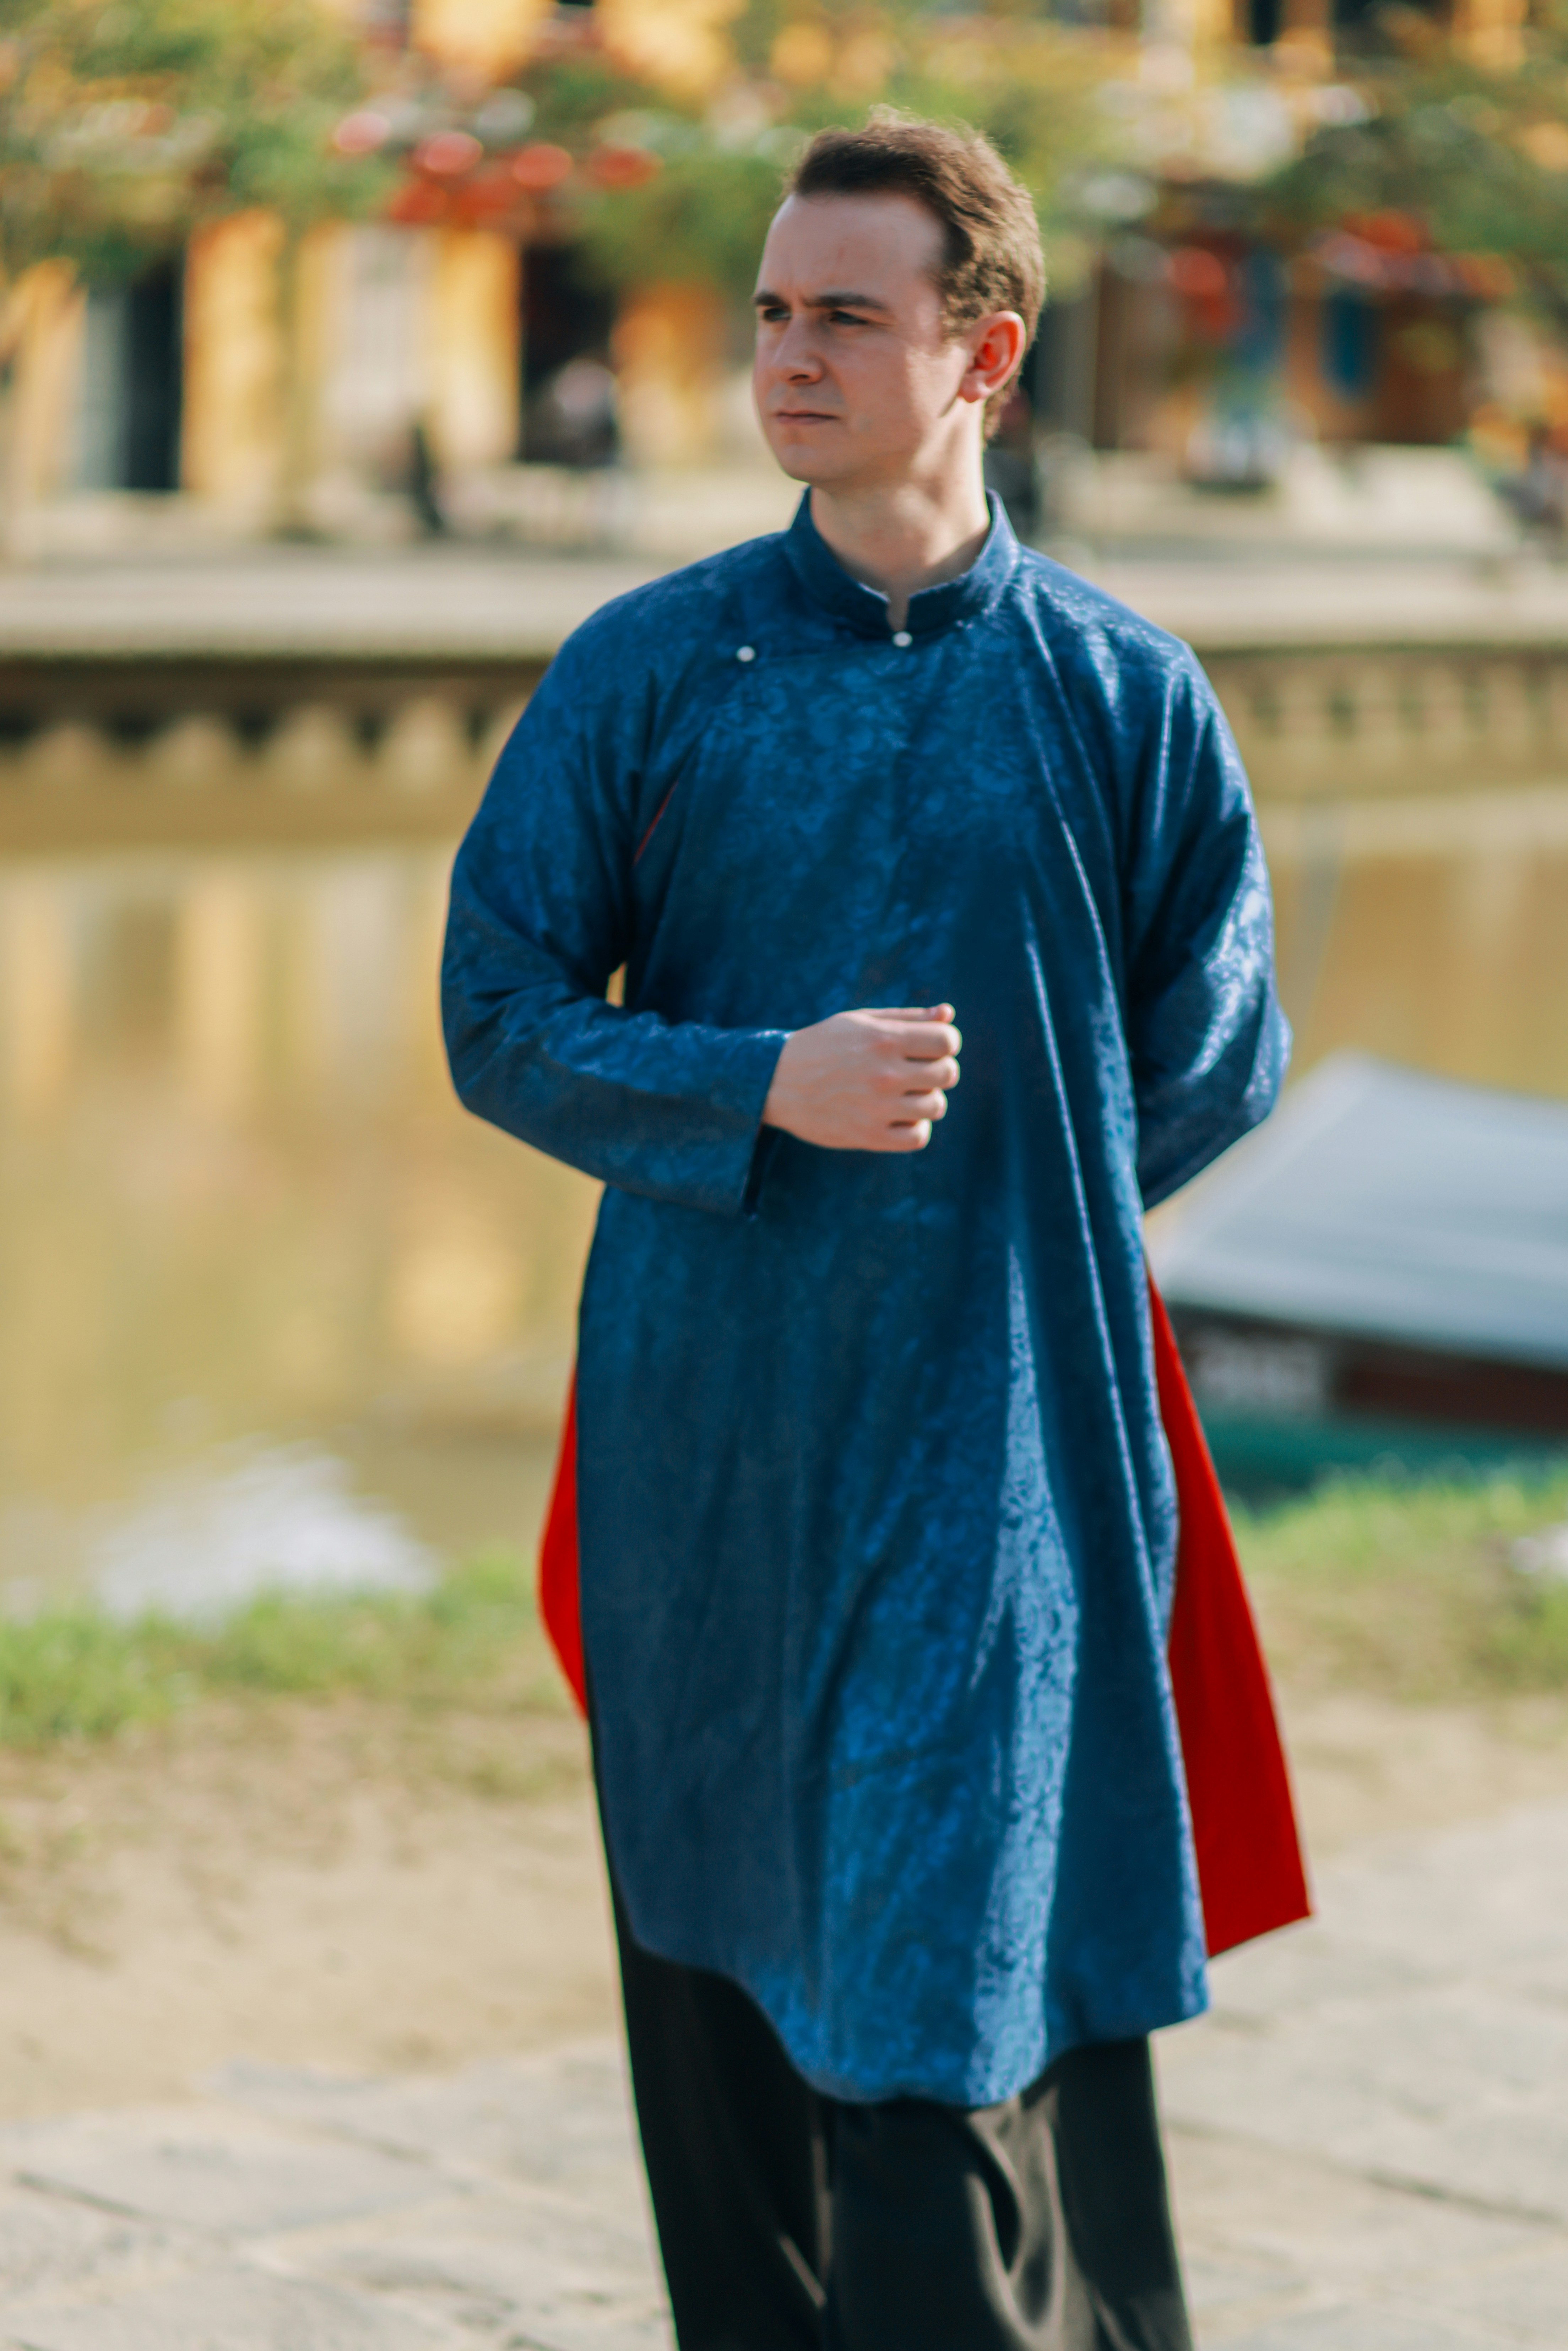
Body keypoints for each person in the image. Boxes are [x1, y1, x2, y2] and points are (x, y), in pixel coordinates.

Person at [443, 113, 1289, 2351]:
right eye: (770, 313)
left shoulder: (1122, 689)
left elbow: (1221, 1048)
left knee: (942, 1991)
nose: (789, 356)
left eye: (846, 314)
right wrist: (760, 1086)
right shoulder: (647, 671)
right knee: (724, 1982)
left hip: (1001, 1439)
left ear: (984, 353)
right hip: (708, 1434)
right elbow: (496, 1015)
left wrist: (1005, 1213)